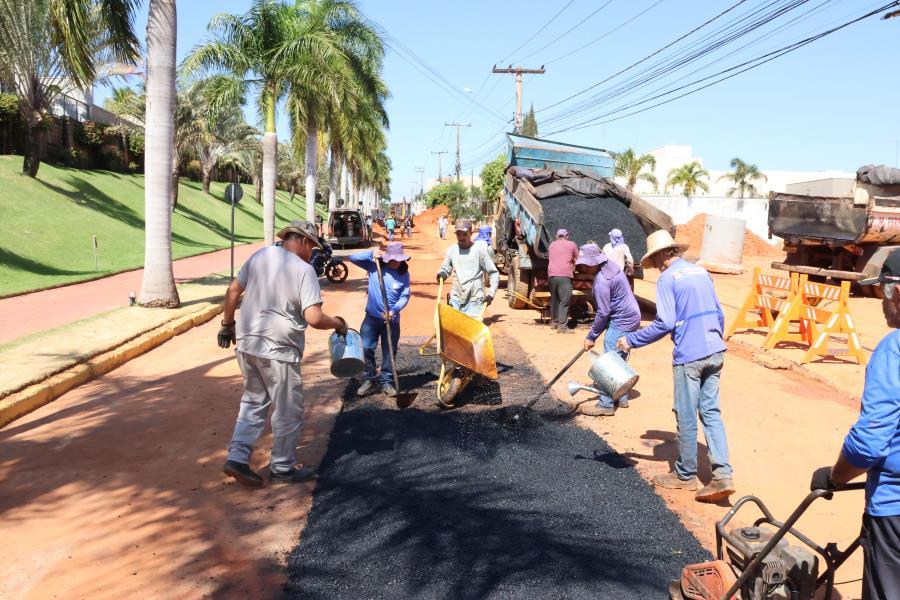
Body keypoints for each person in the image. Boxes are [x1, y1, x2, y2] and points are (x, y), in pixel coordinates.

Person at [217, 220, 348, 488]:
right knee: (289, 410)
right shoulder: (304, 270)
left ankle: (237, 458)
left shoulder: (261, 255)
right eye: (312, 246)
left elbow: (233, 291)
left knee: (254, 401)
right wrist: (338, 323)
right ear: (303, 241)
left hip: (247, 343)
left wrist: (227, 325)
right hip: (278, 349)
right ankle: (282, 468)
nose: (312, 252)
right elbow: (313, 317)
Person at [616, 229, 735, 503]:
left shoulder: (668, 279)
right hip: (715, 350)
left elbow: (665, 322)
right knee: (711, 412)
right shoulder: (700, 272)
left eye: (655, 261)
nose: (656, 267)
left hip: (690, 356)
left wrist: (632, 340)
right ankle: (723, 474)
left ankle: (685, 475)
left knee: (686, 413)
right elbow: (719, 312)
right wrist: (713, 338)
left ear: (660, 257)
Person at [809, 249, 900, 600]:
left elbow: (869, 443)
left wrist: (834, 476)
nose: (879, 301)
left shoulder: (893, 350)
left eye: (883, 293)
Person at [575, 243, 641, 416]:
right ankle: (622, 397)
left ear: (594, 262)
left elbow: (603, 312)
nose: (582, 267)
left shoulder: (601, 282)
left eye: (584, 264)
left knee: (609, 362)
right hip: (632, 315)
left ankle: (605, 404)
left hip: (623, 320)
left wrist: (591, 336)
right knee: (618, 358)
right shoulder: (611, 266)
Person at [348, 242, 412, 398]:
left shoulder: (404, 274)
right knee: (366, 347)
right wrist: (371, 253)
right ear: (386, 258)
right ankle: (369, 379)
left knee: (389, 351)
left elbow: (405, 296)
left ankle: (387, 382)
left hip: (392, 320)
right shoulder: (374, 266)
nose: (396, 262)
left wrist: (393, 310)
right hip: (372, 318)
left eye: (399, 259)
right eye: (393, 259)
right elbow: (352, 257)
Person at [437, 218, 499, 318]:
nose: (461, 237)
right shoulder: (452, 250)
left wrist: (491, 294)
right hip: (456, 299)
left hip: (475, 299)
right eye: (458, 234)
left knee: (471, 330)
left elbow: (494, 273)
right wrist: (442, 273)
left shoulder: (479, 251)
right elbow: (445, 268)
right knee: (454, 329)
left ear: (470, 232)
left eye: (464, 234)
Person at [547, 229, 579, 332]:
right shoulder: (572, 244)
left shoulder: (551, 245)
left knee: (554, 299)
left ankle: (554, 323)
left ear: (556, 236)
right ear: (567, 236)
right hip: (565, 275)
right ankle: (562, 327)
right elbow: (577, 258)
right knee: (564, 301)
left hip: (552, 275)